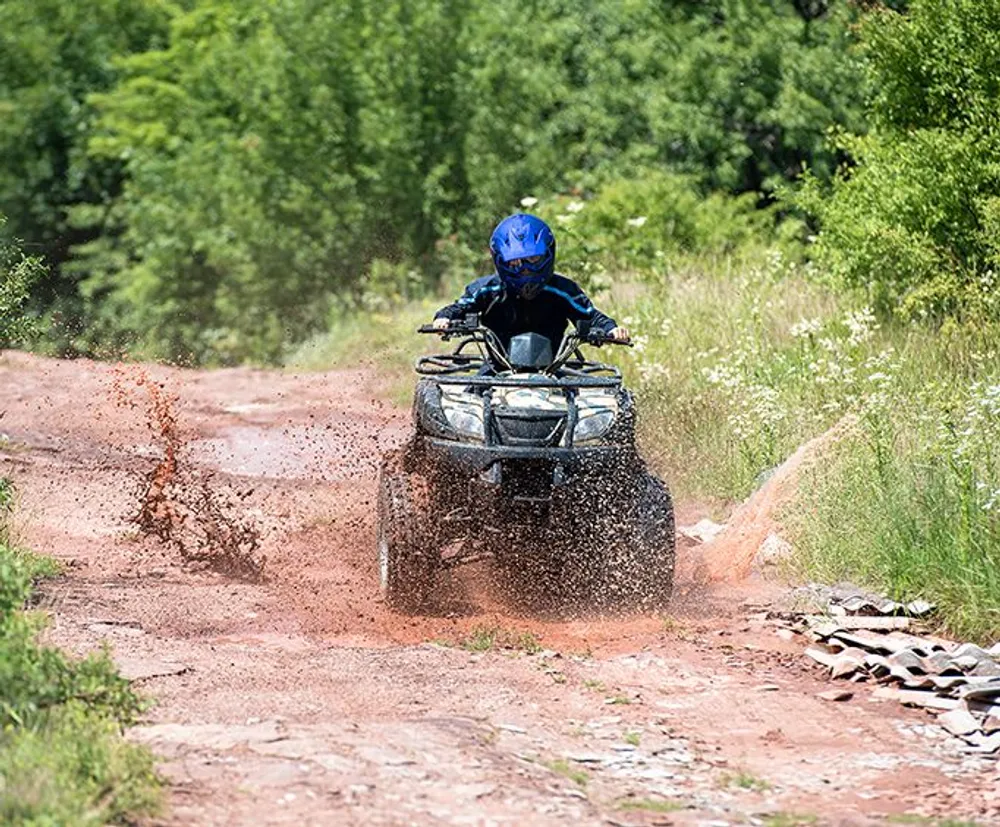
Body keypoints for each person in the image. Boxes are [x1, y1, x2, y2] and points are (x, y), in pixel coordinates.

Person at [432, 213, 630, 354]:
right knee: (466, 400)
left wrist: (611, 329)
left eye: (533, 259)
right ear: (500, 260)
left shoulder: (563, 290)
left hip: (552, 370)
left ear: (548, 254)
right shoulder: (486, 289)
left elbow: (590, 315)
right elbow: (459, 308)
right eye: (515, 263)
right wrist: (444, 318)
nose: (525, 269)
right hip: (496, 371)